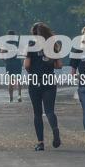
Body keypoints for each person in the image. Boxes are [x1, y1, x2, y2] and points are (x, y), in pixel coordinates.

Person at [24, 22, 62, 151]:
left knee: (37, 113)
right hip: (49, 80)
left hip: (35, 80)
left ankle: (40, 143)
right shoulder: (52, 45)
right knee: (50, 110)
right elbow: (59, 65)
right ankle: (55, 129)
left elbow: (27, 65)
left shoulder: (31, 45)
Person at [2, 29, 23, 102]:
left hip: (9, 63)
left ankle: (11, 98)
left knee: (11, 80)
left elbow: (2, 53)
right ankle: (19, 95)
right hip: (17, 62)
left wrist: (5, 61)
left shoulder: (6, 43)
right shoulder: (18, 43)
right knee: (18, 79)